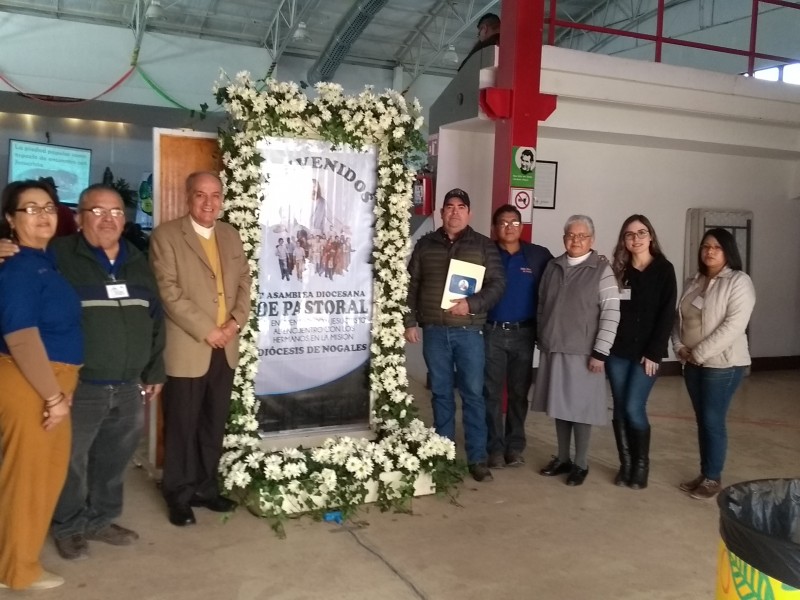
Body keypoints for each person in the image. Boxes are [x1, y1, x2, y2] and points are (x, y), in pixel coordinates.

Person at [47, 184, 166, 560]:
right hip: (80, 386)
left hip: (129, 385)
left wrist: (155, 370)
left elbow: (156, 319)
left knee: (114, 460)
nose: (108, 219)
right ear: (80, 218)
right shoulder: (59, 255)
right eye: (97, 211)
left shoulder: (137, 260)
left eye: (115, 212)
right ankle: (68, 525)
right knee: (72, 461)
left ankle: (100, 519)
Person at [149, 172, 251, 526]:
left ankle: (205, 488)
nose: (209, 203)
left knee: (212, 423)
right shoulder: (166, 236)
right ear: (187, 197)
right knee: (182, 425)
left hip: (226, 347)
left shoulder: (230, 235)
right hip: (189, 347)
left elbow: (244, 283)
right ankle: (178, 494)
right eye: (200, 195)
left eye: (215, 195)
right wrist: (208, 330)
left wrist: (234, 323)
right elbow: (169, 292)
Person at [0, 180, 83, 590]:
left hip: (50, 380)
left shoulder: (43, 261)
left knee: (43, 478)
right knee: (27, 481)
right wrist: (53, 396)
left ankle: (17, 562)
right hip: (30, 382)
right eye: (30, 208)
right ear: (10, 220)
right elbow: (21, 336)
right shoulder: (18, 266)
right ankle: (15, 571)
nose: (43, 214)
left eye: (48, 206)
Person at [404, 188, 505, 482]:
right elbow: (410, 285)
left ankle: (477, 458)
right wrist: (410, 321)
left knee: (473, 395)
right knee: (441, 394)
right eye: (449, 206)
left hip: (470, 332)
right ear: (441, 212)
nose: (455, 212)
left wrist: (471, 304)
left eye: (461, 206)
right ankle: (443, 454)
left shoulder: (484, 246)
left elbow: (497, 285)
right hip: (435, 332)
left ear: (469, 213)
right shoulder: (425, 245)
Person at [533, 215, 620, 486]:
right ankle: (562, 458)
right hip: (554, 348)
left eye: (582, 236)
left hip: (584, 353)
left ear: (592, 240)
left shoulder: (602, 270)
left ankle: (581, 463)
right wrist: (542, 336)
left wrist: (601, 352)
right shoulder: (553, 266)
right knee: (559, 407)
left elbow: (611, 314)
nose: (576, 240)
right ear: (564, 238)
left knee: (581, 411)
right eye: (571, 235)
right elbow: (541, 305)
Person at [673, 227, 755, 500]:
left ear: (728, 252)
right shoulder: (693, 280)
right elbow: (679, 319)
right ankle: (705, 472)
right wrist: (680, 347)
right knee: (703, 420)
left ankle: (712, 478)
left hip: (723, 364)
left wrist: (699, 353)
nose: (709, 251)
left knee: (712, 420)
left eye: (717, 247)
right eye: (706, 246)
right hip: (692, 363)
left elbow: (733, 326)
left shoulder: (739, 282)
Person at [606, 215, 677, 490]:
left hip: (647, 354)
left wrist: (655, 353)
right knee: (620, 408)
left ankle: (641, 466)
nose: (635, 238)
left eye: (641, 232)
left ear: (651, 237)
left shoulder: (663, 269)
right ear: (624, 240)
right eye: (629, 234)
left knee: (634, 407)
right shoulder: (619, 271)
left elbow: (666, 314)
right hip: (618, 352)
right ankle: (625, 465)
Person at [483, 205, 552, 469]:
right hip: (491, 332)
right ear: (494, 228)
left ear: (521, 227)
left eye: (514, 222)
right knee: (490, 392)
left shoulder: (538, 256)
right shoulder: (486, 253)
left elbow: (560, 279)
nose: (509, 227)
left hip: (524, 334)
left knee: (519, 393)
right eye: (503, 223)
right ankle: (494, 448)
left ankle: (514, 447)